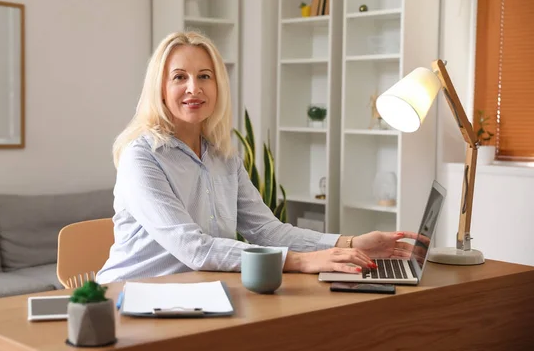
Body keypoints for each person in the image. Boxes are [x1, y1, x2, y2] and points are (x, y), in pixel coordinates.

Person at [95, 31, 417, 284]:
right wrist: (304, 261)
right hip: (130, 300)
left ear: (218, 85)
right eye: (180, 77)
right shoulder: (141, 158)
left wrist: (350, 243)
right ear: (161, 89)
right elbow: (196, 249)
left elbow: (269, 231)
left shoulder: (225, 158)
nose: (194, 88)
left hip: (198, 297)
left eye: (204, 76)